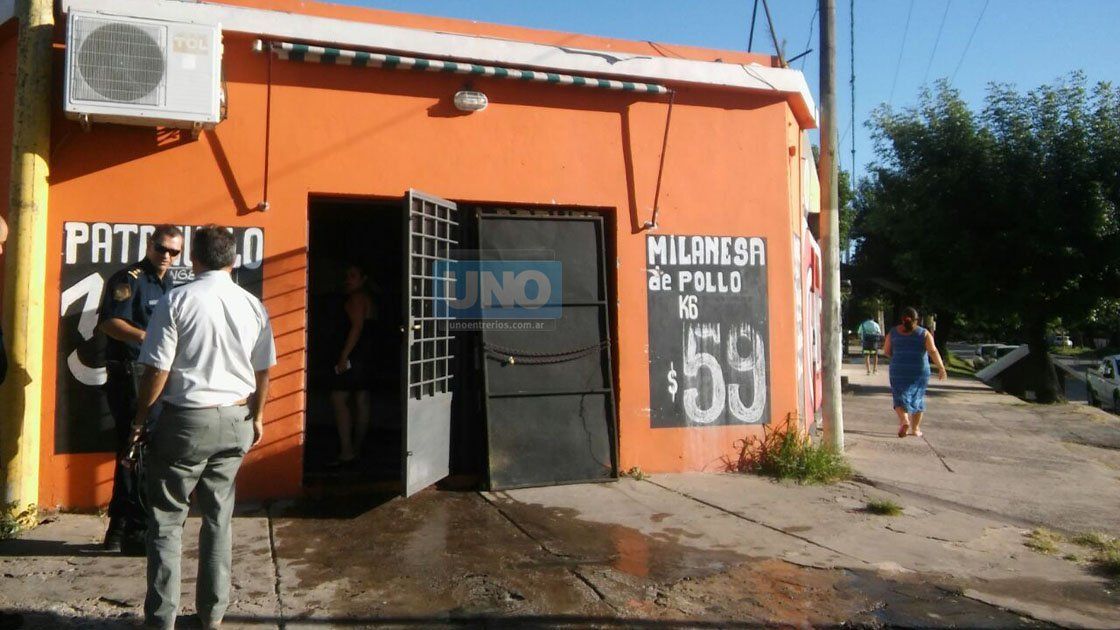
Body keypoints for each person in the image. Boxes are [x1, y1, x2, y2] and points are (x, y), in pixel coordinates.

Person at [126, 225, 275, 630]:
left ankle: (162, 619)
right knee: (218, 518)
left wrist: (140, 420)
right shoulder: (253, 305)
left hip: (186, 421)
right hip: (237, 417)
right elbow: (263, 371)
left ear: (194, 259)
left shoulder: (177, 300)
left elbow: (157, 369)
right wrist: (258, 416)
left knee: (166, 521)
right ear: (233, 260)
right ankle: (212, 615)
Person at [97, 225, 183, 554]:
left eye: (174, 251)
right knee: (136, 450)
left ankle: (121, 528)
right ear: (149, 245)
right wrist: (148, 337)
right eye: (161, 248)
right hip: (130, 375)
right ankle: (132, 529)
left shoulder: (170, 283)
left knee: (137, 451)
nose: (166, 256)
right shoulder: (129, 279)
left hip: (155, 376)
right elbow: (109, 323)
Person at [328, 263, 375, 467]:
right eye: (347, 275)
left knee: (338, 398)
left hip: (355, 355)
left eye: (353, 275)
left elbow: (356, 327)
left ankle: (347, 450)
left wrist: (343, 356)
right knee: (362, 399)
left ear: (363, 279)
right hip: (367, 355)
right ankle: (357, 447)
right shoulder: (368, 299)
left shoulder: (356, 299)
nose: (348, 279)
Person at [882, 307, 947, 438]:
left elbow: (887, 352)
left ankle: (904, 420)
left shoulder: (893, 333)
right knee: (918, 397)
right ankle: (915, 429)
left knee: (899, 396)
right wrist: (941, 367)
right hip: (919, 370)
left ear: (902, 319)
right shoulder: (924, 333)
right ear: (917, 320)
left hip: (898, 369)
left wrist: (899, 356)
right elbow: (933, 351)